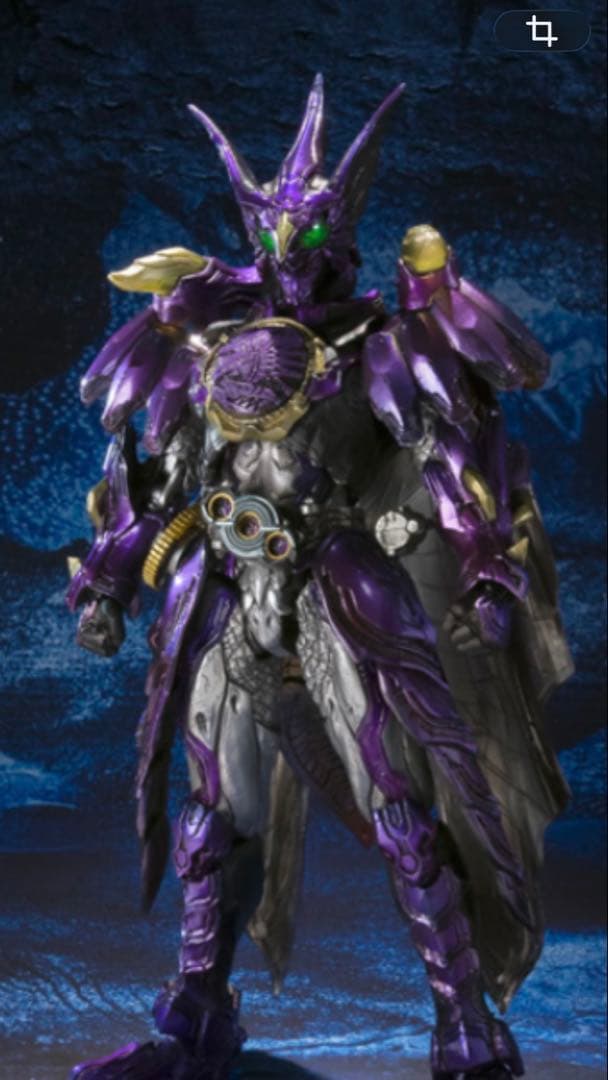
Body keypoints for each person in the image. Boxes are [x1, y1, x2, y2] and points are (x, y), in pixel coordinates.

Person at [67, 75, 572, 1080]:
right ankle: (196, 1021)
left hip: (336, 602)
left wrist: (484, 568)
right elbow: (157, 477)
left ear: (339, 239)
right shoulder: (210, 342)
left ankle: (465, 1025)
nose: (289, 255)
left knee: (403, 817)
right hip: (227, 597)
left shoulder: (380, 344)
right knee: (213, 819)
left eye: (307, 238)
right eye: (274, 237)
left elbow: (450, 461)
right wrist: (113, 578)